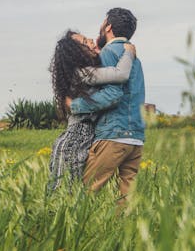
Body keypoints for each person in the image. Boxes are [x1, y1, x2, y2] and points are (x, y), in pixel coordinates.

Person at [67, 8, 145, 202]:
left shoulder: (108, 53)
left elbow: (113, 94)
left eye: (102, 24)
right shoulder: (135, 58)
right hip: (136, 139)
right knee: (126, 200)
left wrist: (75, 105)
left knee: (84, 194)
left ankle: (77, 232)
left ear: (108, 27)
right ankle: (126, 232)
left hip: (113, 135)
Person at [48, 29, 136, 191]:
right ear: (76, 53)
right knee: (66, 190)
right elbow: (120, 74)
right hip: (76, 138)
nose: (90, 40)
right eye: (84, 42)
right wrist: (128, 53)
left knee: (70, 189)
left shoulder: (85, 71)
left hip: (83, 135)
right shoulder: (83, 73)